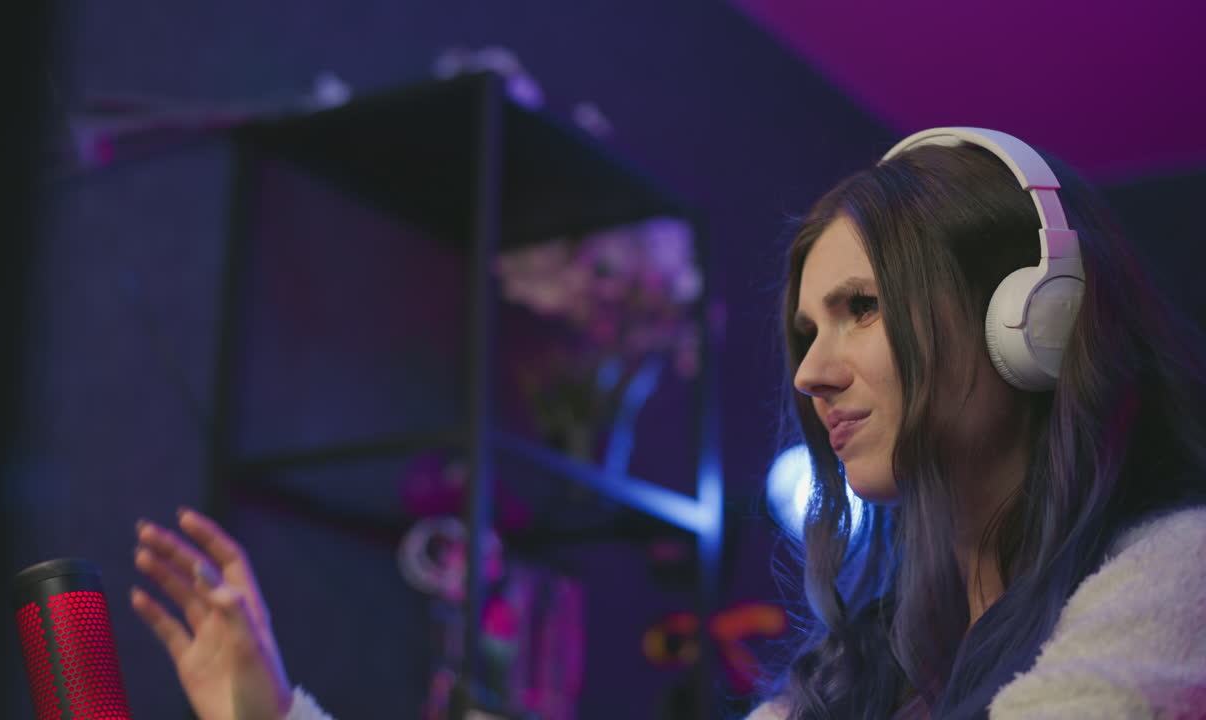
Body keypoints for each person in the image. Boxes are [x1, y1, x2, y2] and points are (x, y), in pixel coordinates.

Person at [130, 128, 1206, 720]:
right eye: (803, 330)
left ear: (1026, 320)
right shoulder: (874, 665)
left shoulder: (1171, 572)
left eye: (859, 311)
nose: (812, 373)